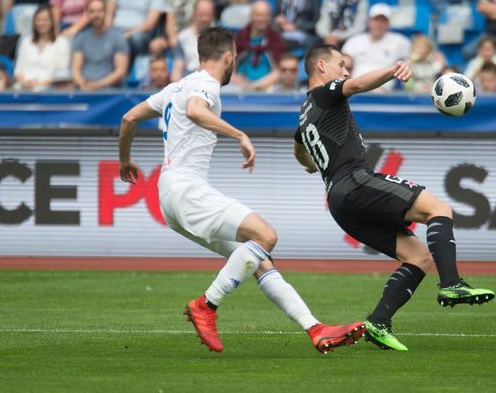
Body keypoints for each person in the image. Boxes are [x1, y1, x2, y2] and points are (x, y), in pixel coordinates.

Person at [117, 26, 366, 354]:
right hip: (187, 189)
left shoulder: (176, 86)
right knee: (266, 236)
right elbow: (195, 110)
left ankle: (316, 329)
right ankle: (207, 304)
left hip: (169, 196)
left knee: (258, 259)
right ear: (228, 57)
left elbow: (128, 117)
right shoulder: (205, 85)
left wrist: (125, 161)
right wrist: (239, 135)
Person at [294, 45, 495, 351]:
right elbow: (358, 85)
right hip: (355, 181)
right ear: (321, 66)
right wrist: (392, 70)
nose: (346, 70)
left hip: (338, 200)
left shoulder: (305, 111)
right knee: (439, 210)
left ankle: (378, 322)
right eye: (341, 64)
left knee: (419, 257)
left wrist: (312, 165)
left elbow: (299, 149)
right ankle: (452, 283)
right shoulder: (324, 93)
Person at [342, 3, 411, 92]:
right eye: (376, 20)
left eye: (383, 21)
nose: (379, 24)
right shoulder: (354, 41)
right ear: (369, 21)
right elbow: (343, 65)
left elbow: (413, 58)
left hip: (382, 90)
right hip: (355, 88)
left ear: (388, 23)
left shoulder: (400, 41)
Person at [71, 0, 129, 91]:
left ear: (105, 13)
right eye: (92, 11)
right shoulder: (81, 37)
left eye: (99, 11)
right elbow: (75, 69)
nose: (96, 15)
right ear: (87, 14)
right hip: (84, 87)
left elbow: (121, 71)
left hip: (109, 90)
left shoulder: (118, 37)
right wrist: (82, 83)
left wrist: (97, 85)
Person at [14, 6, 71, 91]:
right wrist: (24, 82)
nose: (41, 23)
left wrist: (38, 84)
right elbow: (18, 70)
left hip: (50, 89)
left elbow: (61, 73)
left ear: (52, 22)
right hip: (24, 87)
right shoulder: (26, 42)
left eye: (45, 20)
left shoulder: (62, 42)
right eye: (38, 20)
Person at [233, 0, 285, 91]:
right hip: (240, 85)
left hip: (267, 86)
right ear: (251, 16)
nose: (261, 19)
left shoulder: (275, 39)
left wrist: (256, 86)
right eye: (258, 15)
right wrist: (235, 78)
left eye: (264, 15)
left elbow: (279, 71)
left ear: (269, 17)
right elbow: (230, 66)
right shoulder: (241, 37)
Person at [171, 0, 216, 81]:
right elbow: (177, 68)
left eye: (207, 15)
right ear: (194, 14)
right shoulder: (182, 37)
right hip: (190, 79)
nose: (204, 19)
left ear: (212, 16)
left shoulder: (220, 38)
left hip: (213, 79)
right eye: (201, 15)